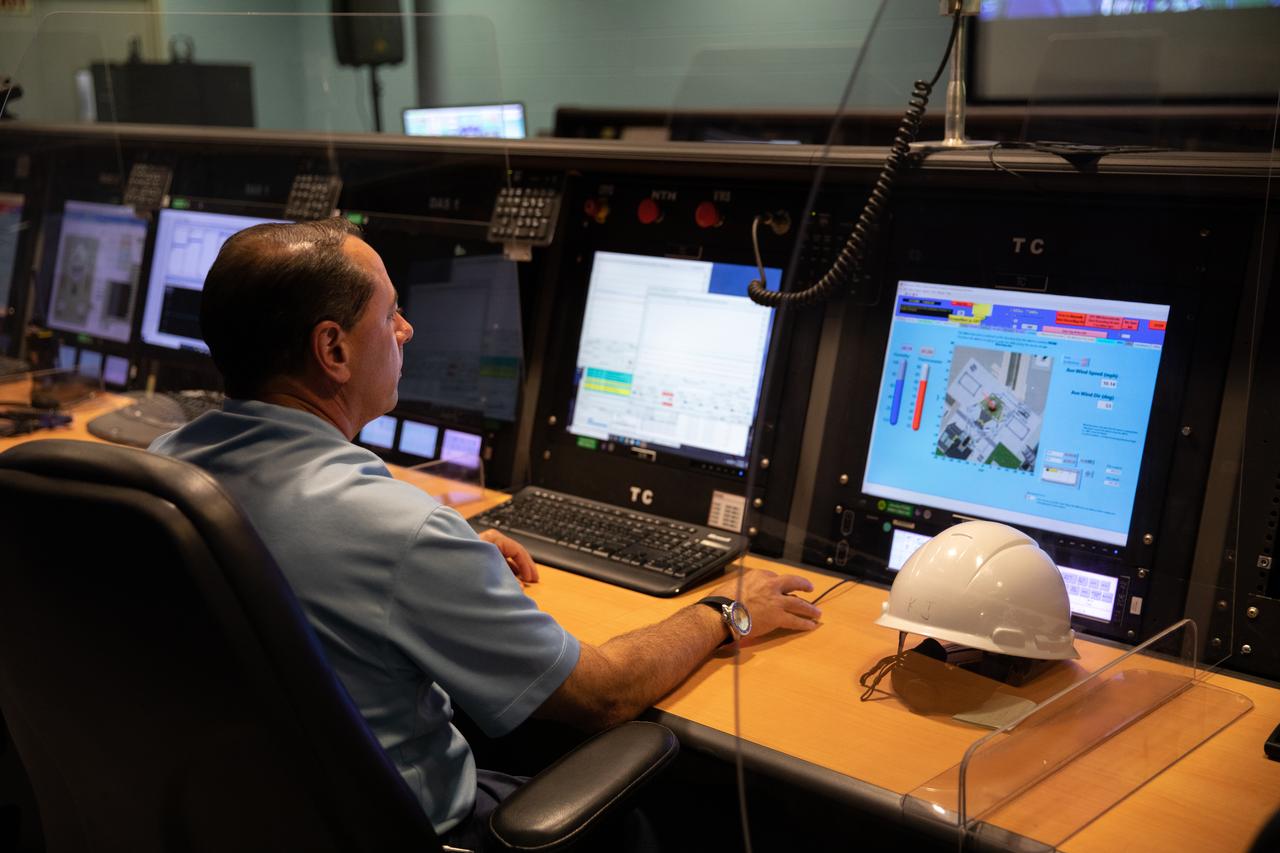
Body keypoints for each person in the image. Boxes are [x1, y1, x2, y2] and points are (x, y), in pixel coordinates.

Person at [149, 217, 822, 848]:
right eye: (389, 315)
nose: (406, 329)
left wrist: (443, 571)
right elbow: (604, 693)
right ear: (333, 349)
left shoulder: (159, 475)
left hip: (238, 815)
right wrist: (725, 611)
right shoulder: (398, 531)